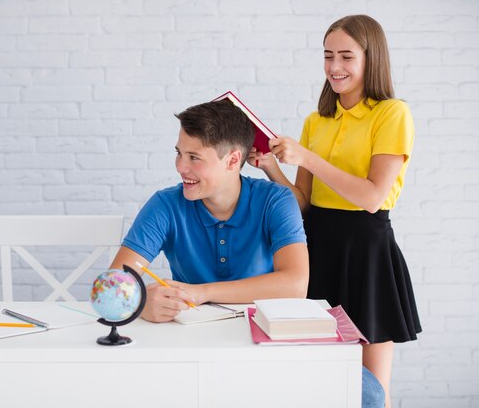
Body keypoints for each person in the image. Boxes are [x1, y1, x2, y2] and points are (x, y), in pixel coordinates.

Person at [110, 98, 385, 408]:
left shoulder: (275, 201)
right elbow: (115, 281)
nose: (180, 167)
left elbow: (295, 285)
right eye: (178, 153)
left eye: (194, 157)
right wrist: (142, 302)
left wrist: (201, 292)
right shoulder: (165, 205)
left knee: (369, 394)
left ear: (232, 160)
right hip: (193, 348)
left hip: (270, 344)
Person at [248, 15, 421, 408]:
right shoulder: (316, 121)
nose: (335, 67)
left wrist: (307, 156)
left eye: (346, 56)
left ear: (370, 58)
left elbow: (373, 196)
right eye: (328, 56)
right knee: (316, 381)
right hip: (316, 249)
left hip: (367, 252)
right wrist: (272, 167)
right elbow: (303, 203)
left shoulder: (392, 114)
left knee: (371, 390)